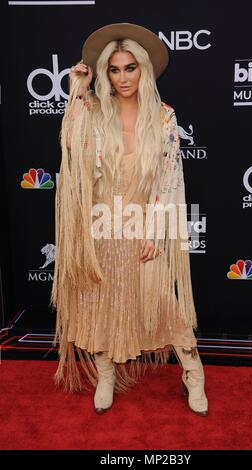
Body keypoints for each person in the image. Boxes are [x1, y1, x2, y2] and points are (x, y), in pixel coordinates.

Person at [50, 23, 208, 417]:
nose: (123, 77)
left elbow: (171, 176)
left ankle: (193, 373)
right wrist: (78, 90)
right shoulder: (93, 111)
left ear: (144, 70)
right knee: (102, 304)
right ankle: (106, 375)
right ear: (106, 72)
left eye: (131, 68)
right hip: (101, 225)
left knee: (164, 306)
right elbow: (69, 142)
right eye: (115, 69)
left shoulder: (164, 116)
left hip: (143, 223)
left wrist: (158, 228)